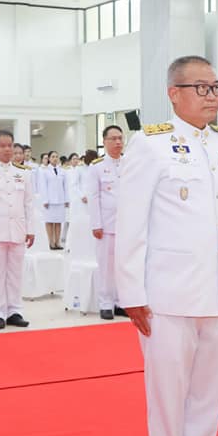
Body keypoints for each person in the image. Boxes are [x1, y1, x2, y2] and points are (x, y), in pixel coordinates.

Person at [115, 55, 218, 436]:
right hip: (167, 294)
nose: (212, 97)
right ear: (174, 93)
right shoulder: (150, 145)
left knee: (208, 393)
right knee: (169, 394)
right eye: (201, 88)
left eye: (216, 88)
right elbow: (130, 222)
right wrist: (131, 293)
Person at [0, 130, 36, 329]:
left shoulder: (23, 172)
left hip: (18, 230)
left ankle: (14, 311)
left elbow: (29, 203)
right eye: (3, 146)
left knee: (15, 274)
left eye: (10, 145)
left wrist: (31, 229)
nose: (7, 149)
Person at [86, 125, 126, 320]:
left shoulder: (129, 163)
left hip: (127, 225)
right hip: (107, 224)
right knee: (106, 266)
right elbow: (93, 197)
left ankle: (120, 302)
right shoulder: (97, 167)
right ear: (105, 142)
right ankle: (105, 303)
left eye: (120, 138)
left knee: (123, 266)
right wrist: (96, 224)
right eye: (113, 139)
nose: (118, 142)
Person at [37, 150, 67, 249]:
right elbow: (42, 186)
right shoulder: (44, 171)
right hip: (49, 201)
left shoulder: (62, 171)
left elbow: (65, 186)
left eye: (56, 156)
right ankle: (51, 242)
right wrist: (45, 200)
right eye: (53, 157)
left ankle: (57, 242)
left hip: (60, 200)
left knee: (59, 221)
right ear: (49, 159)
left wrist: (67, 200)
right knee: (49, 221)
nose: (55, 158)